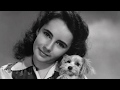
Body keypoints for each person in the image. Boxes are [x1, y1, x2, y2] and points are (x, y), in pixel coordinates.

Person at [0, 11, 89, 79]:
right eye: (47, 34)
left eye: (60, 44)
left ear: (69, 51)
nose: (48, 47)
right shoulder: (6, 73)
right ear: (38, 30)